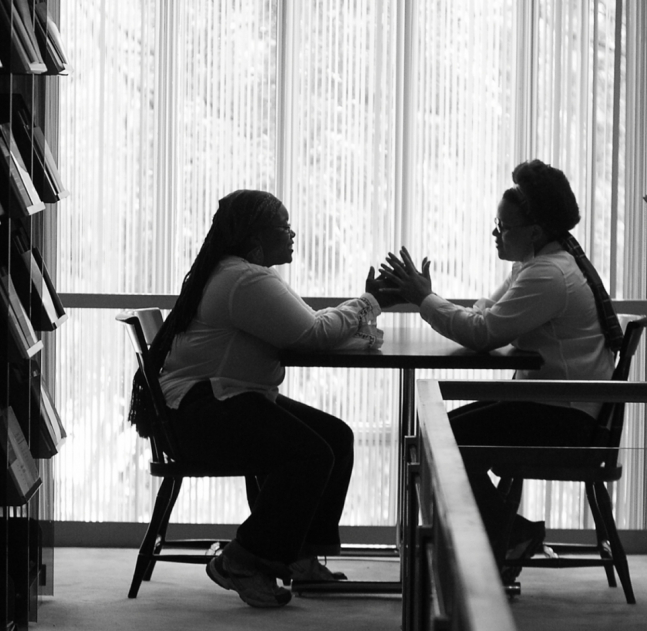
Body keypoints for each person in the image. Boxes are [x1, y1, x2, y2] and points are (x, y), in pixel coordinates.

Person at [137, 189, 382, 609]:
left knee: (336, 437)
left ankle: (299, 556)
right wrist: (370, 303)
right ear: (255, 238)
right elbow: (313, 335)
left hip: (218, 400)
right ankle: (242, 558)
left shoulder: (240, 273)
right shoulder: (244, 279)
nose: (292, 234)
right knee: (311, 455)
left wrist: (357, 324)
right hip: (201, 412)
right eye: (283, 227)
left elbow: (308, 329)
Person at [375, 159, 622, 572]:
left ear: (536, 232)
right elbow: (488, 312)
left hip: (564, 417)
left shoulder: (548, 274)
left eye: (504, 226)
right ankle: (505, 538)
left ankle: (502, 540)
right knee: (437, 435)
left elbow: (483, 331)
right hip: (553, 405)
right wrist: (447, 305)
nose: (496, 233)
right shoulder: (537, 265)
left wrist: (423, 299)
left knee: (440, 440)